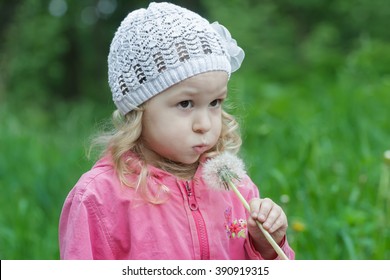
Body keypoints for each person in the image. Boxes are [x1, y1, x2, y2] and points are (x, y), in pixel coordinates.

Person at [59, 2, 295, 260]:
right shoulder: (99, 198)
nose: (204, 123)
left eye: (215, 102)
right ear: (138, 108)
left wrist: (266, 246)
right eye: (185, 104)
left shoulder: (233, 186)